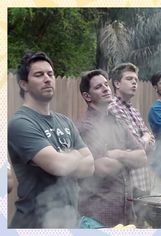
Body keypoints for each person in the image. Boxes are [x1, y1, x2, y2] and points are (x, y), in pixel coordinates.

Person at [8, 51, 94, 228]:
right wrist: (76, 155)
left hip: (67, 221)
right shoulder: (20, 123)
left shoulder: (65, 121)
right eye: (39, 75)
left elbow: (90, 167)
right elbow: (58, 166)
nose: (47, 79)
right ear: (24, 84)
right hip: (34, 223)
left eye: (50, 74)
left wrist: (65, 158)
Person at [78, 69, 147, 228]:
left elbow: (142, 157)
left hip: (125, 217)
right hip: (97, 219)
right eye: (98, 87)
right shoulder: (86, 127)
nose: (105, 88)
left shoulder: (117, 122)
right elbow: (103, 167)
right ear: (87, 96)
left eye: (106, 84)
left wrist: (117, 154)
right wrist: (129, 157)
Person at [108, 63, 154, 194]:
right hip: (128, 186)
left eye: (136, 80)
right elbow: (136, 144)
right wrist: (145, 137)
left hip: (144, 183)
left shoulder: (133, 110)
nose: (134, 82)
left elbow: (152, 143)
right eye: (129, 79)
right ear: (117, 84)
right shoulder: (112, 108)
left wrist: (144, 139)